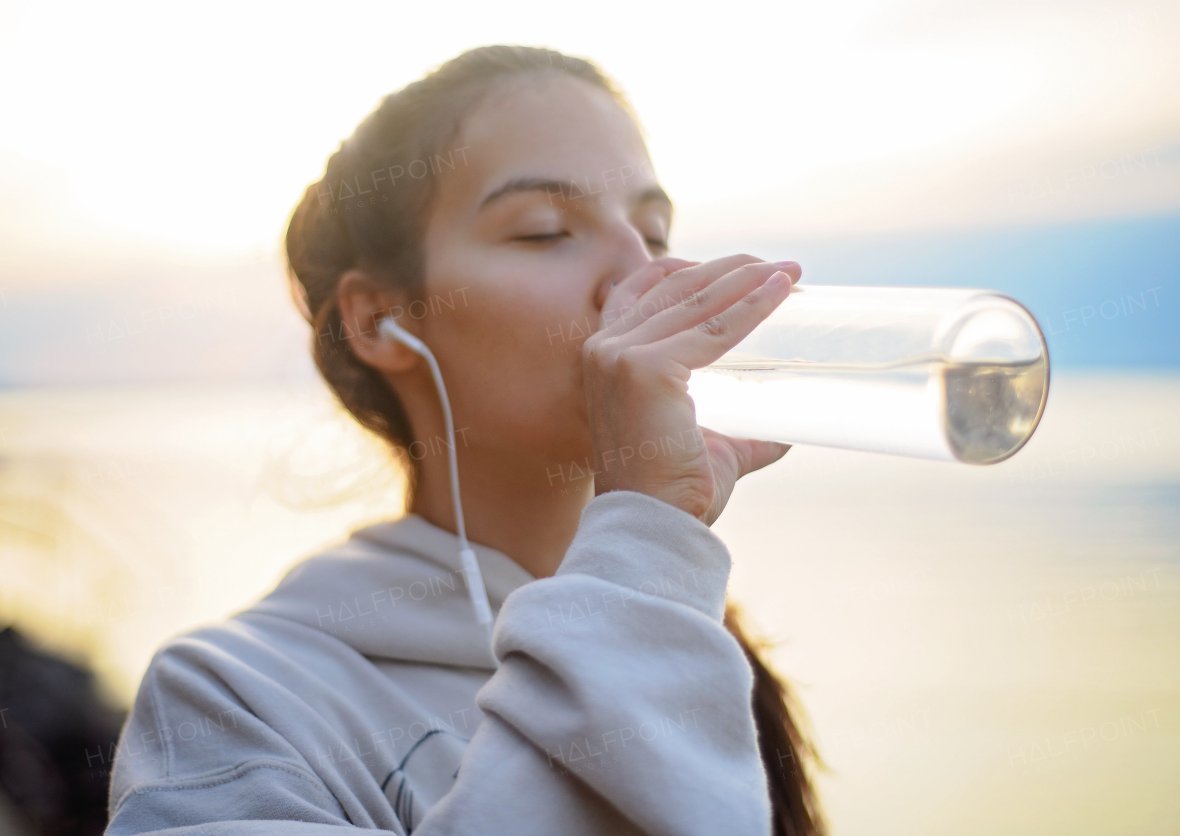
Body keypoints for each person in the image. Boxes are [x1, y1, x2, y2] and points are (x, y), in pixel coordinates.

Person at [106, 45, 824, 836]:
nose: (640, 273)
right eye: (546, 231)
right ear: (381, 319)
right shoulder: (233, 702)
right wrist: (649, 538)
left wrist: (653, 566)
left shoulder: (694, 641)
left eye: (653, 232)